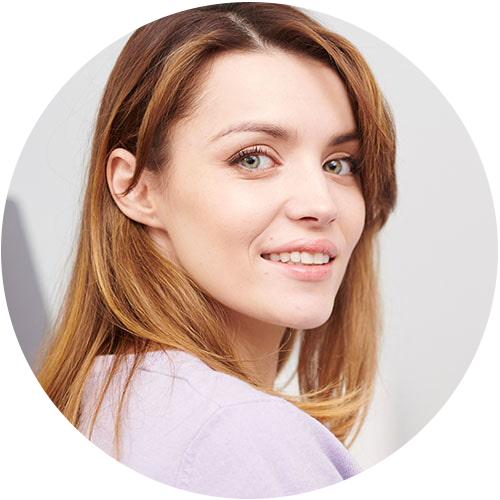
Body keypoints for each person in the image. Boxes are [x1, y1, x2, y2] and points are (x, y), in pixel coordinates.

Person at [14, 2, 397, 498]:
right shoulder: (241, 435)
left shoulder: (105, 406)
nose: (321, 204)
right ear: (136, 188)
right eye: (253, 158)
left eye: (340, 164)